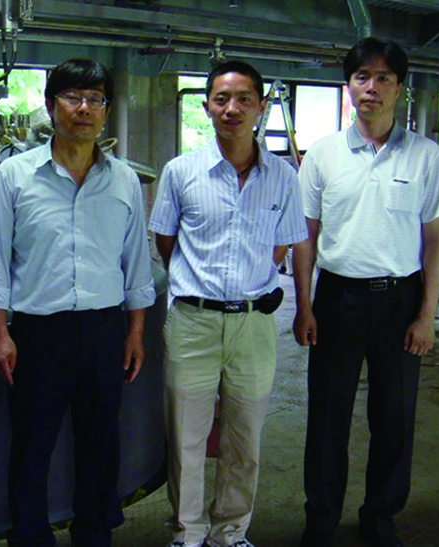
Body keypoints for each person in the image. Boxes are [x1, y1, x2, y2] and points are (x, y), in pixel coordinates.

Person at [0, 58, 156, 547]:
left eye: (96, 99)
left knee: (101, 442)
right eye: (73, 97)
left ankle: (94, 532)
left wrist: (135, 332)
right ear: (50, 105)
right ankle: (30, 536)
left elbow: (136, 261)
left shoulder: (122, 179)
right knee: (32, 445)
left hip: (104, 330)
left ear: (106, 110)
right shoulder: (14, 176)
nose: (84, 109)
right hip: (37, 333)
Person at [293, 37, 439, 547]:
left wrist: (426, 315)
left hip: (399, 301)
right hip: (336, 300)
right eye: (362, 76)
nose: (372, 87)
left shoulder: (426, 156)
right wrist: (304, 306)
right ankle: (321, 519)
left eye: (384, 77)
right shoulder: (322, 155)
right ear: (348, 85)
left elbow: (435, 241)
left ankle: (381, 518)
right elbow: (305, 237)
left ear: (399, 88)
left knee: (394, 416)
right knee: (327, 415)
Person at [149, 60, 307, 547]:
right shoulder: (180, 172)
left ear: (261, 106)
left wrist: (245, 283)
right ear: (206, 107)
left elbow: (281, 246)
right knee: (186, 438)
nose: (232, 109)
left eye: (243, 99)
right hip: (192, 322)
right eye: (221, 99)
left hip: (254, 325)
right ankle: (188, 533)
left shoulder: (283, 177)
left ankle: (231, 533)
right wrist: (199, 284)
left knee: (245, 438)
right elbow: (165, 241)